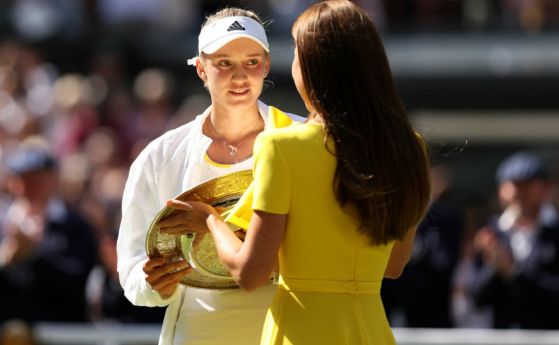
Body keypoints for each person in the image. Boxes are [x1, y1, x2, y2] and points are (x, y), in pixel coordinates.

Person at [163, 1, 431, 344]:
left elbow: (250, 273)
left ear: (314, 68)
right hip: (371, 330)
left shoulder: (281, 147)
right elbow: (394, 265)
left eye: (297, 56)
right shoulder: (411, 147)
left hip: (299, 331)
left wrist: (210, 222)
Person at [116, 7, 302, 345]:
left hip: (290, 327)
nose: (240, 76)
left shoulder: (306, 138)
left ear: (266, 65)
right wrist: (154, 283)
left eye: (251, 61)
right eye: (224, 63)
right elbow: (131, 272)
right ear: (201, 68)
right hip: (197, 332)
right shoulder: (158, 157)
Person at [0, 143, 98, 323]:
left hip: (61, 333)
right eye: (24, 179)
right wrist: (7, 258)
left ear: (54, 180)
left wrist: (33, 254)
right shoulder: (3, 224)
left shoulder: (75, 226)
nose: (31, 187)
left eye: (38, 179)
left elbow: (77, 281)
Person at [465, 151, 559, 329]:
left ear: (546, 189)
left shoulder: (555, 232)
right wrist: (494, 267)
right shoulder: (490, 233)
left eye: (527, 186)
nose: (519, 193)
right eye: (514, 186)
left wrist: (513, 271)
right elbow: (475, 296)